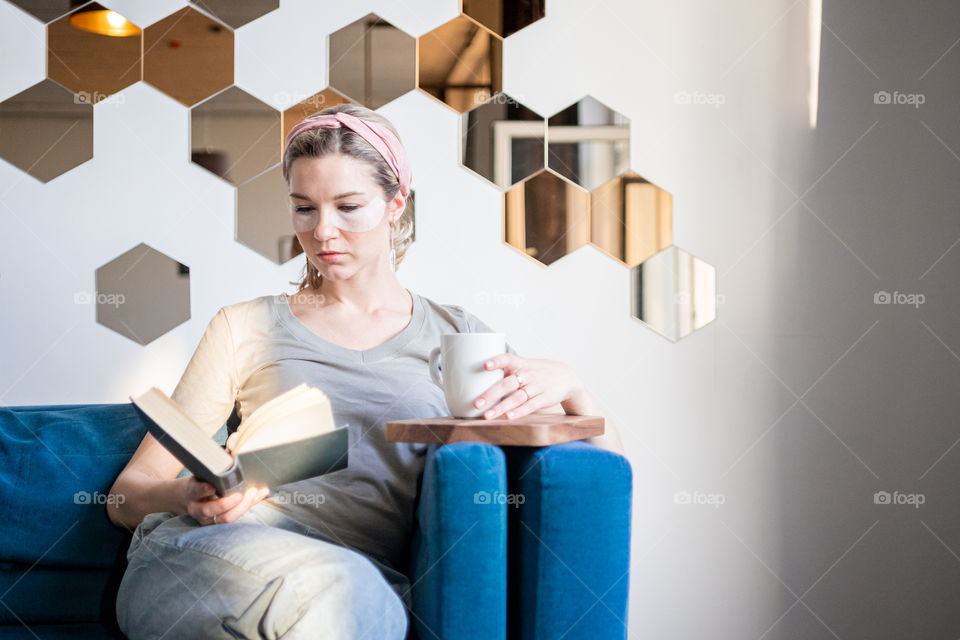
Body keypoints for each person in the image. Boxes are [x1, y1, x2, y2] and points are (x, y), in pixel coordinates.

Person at [107, 102, 624, 640]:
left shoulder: (459, 337)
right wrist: (186, 496)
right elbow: (126, 494)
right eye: (304, 208)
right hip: (203, 560)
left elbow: (605, 478)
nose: (323, 231)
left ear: (396, 203)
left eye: (349, 206)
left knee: (354, 597)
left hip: (358, 590)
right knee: (343, 593)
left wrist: (575, 389)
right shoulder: (246, 325)